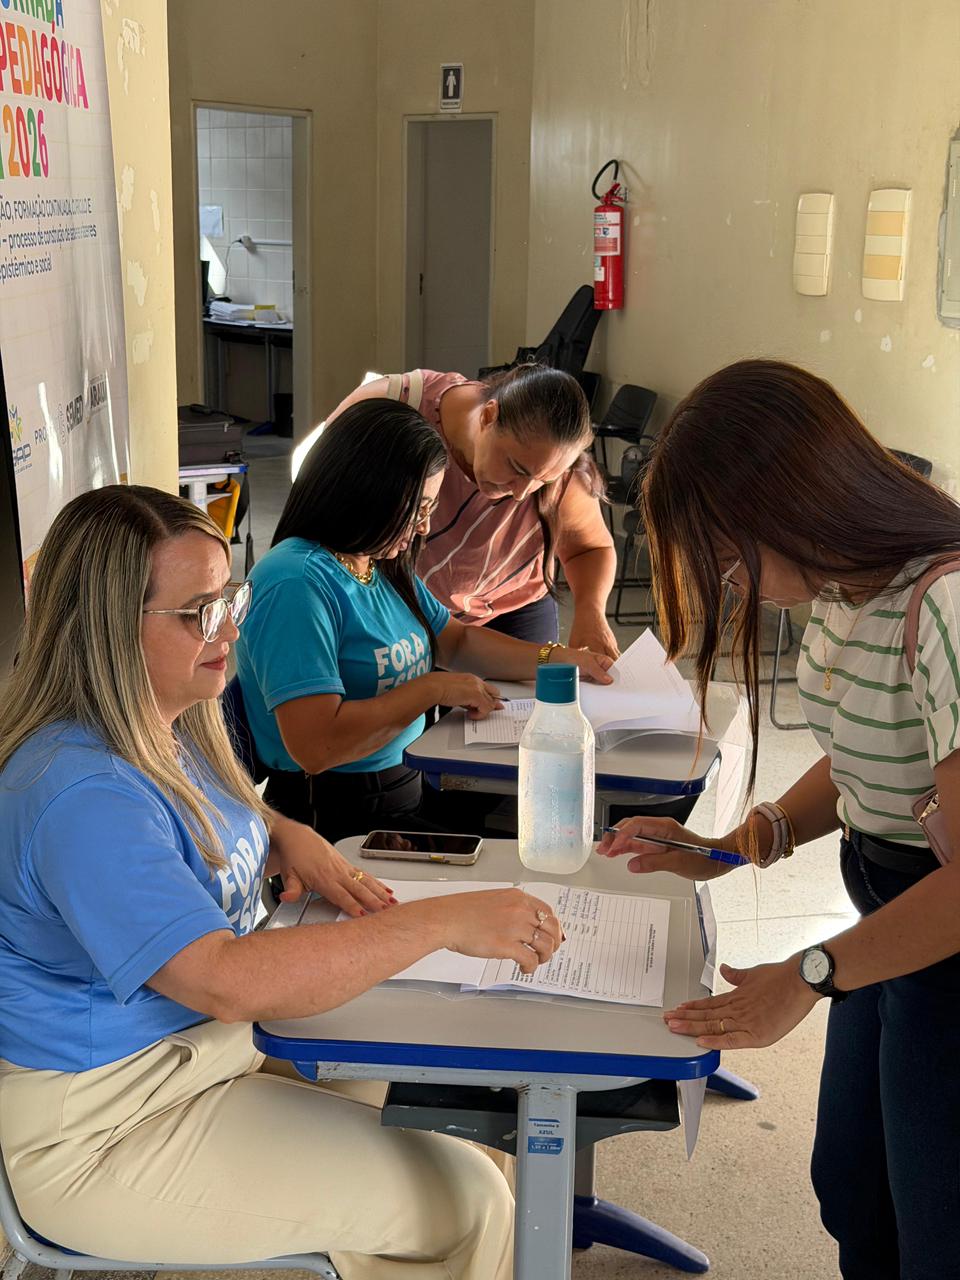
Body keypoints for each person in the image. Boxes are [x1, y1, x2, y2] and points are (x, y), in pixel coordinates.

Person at [0, 483, 566, 1278]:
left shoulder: (168, 724)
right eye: (200, 614)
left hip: (203, 1054)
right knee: (469, 1201)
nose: (231, 628)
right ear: (106, 628)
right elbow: (224, 979)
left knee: (461, 1113)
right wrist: (441, 922)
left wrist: (280, 831)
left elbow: (189, 829)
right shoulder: (81, 792)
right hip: (109, 1122)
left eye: (229, 599)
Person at [599, 358, 960, 1280]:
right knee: (853, 1187)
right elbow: (866, 754)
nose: (736, 585)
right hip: (888, 921)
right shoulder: (844, 593)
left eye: (730, 558)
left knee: (938, 1228)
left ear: (795, 505)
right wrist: (727, 848)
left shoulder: (943, 603)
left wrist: (808, 974)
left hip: (939, 936)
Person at [235, 399, 613, 843]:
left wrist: (558, 658)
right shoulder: (296, 583)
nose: (423, 528)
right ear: (365, 491)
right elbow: (316, 746)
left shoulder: (374, 563)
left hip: (401, 787)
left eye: (429, 510)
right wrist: (432, 689)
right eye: (417, 510)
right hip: (331, 812)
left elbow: (456, 642)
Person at [326, 363, 620, 657]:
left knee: (529, 686)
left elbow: (589, 548)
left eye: (543, 481)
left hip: (510, 608)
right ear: (489, 415)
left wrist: (591, 612)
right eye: (516, 468)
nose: (521, 494)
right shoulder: (389, 409)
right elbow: (320, 510)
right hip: (397, 607)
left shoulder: (560, 472)